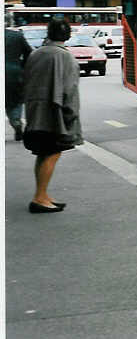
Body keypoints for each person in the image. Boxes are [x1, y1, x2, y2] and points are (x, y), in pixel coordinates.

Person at [22, 18, 82, 213]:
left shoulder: (36, 53)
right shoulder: (66, 57)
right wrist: (71, 116)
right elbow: (69, 91)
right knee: (53, 152)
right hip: (54, 115)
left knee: (42, 153)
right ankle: (39, 197)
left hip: (34, 112)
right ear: (68, 35)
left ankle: (43, 194)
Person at [5, 13, 33, 141]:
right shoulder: (17, 36)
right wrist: (21, 66)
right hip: (14, 74)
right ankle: (16, 123)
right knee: (14, 102)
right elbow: (29, 53)